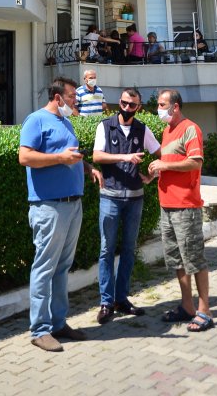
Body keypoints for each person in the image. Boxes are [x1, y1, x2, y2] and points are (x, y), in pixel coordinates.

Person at [18, 77, 102, 352]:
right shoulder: (36, 120)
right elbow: (25, 157)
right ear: (57, 97)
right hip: (49, 206)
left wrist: (87, 167)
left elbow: (70, 155)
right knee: (44, 268)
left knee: (62, 268)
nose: (75, 102)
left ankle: (58, 323)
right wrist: (60, 159)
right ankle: (39, 330)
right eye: (72, 98)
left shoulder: (65, 123)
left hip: (71, 204)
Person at [92, 87, 160, 323]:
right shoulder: (105, 125)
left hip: (134, 197)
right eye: (123, 103)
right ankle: (106, 302)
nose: (127, 108)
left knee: (129, 250)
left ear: (138, 107)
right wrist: (124, 157)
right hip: (110, 196)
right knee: (106, 250)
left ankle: (121, 299)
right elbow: (97, 156)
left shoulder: (143, 129)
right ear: (118, 103)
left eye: (132, 105)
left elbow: (161, 154)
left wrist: (153, 175)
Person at [148, 89, 213, 332]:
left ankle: (204, 310)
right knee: (177, 260)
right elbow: (173, 164)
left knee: (193, 258)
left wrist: (165, 164)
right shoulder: (166, 131)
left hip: (186, 206)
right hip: (167, 204)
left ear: (175, 106)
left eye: (162, 104)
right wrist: (155, 172)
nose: (159, 108)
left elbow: (195, 162)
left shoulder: (190, 129)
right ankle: (187, 306)